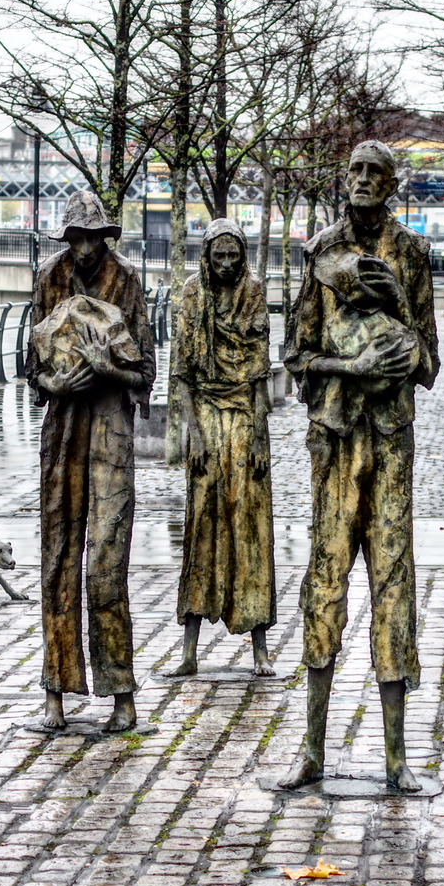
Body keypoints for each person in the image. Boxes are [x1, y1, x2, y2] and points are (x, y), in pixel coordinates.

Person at [280, 140, 441, 793]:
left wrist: (397, 308)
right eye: (355, 171)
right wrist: (351, 367)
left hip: (392, 443)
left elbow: (429, 363)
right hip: (337, 440)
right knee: (324, 583)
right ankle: (311, 747)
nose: (365, 181)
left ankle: (398, 757)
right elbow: (295, 357)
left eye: (377, 173)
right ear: (344, 179)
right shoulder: (321, 253)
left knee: (394, 588)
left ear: (393, 184)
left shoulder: (414, 254)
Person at [26, 190, 154, 734]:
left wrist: (107, 370)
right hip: (62, 431)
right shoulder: (48, 276)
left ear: (104, 236)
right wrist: (54, 381)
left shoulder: (126, 279)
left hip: (110, 428)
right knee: (58, 559)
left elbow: (145, 370)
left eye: (90, 238)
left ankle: (121, 692)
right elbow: (30, 365)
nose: (81, 249)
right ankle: (56, 691)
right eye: (73, 238)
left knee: (106, 562)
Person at [171, 220, 275, 677]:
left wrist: (259, 437)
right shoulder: (193, 294)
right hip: (206, 417)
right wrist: (192, 433)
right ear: (207, 257)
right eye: (219, 257)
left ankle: (259, 647)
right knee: (202, 524)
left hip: (244, 416)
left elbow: (259, 374)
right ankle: (189, 650)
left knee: (250, 525)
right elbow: (183, 373)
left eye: (234, 257)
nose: (227, 265)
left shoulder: (254, 292)